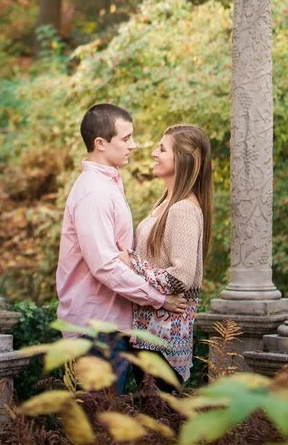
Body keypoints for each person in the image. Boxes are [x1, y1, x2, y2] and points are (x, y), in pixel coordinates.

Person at [56, 103, 184, 391]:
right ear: (100, 143)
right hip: (96, 331)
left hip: (110, 328)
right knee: (100, 426)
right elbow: (105, 265)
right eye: (126, 139)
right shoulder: (94, 193)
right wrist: (158, 298)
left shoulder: (109, 185)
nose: (134, 145)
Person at [119, 124, 213, 386]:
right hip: (148, 336)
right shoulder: (164, 204)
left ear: (184, 158)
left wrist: (132, 263)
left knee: (159, 420)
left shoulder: (183, 209)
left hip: (164, 344)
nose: (153, 153)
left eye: (162, 149)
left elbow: (180, 277)